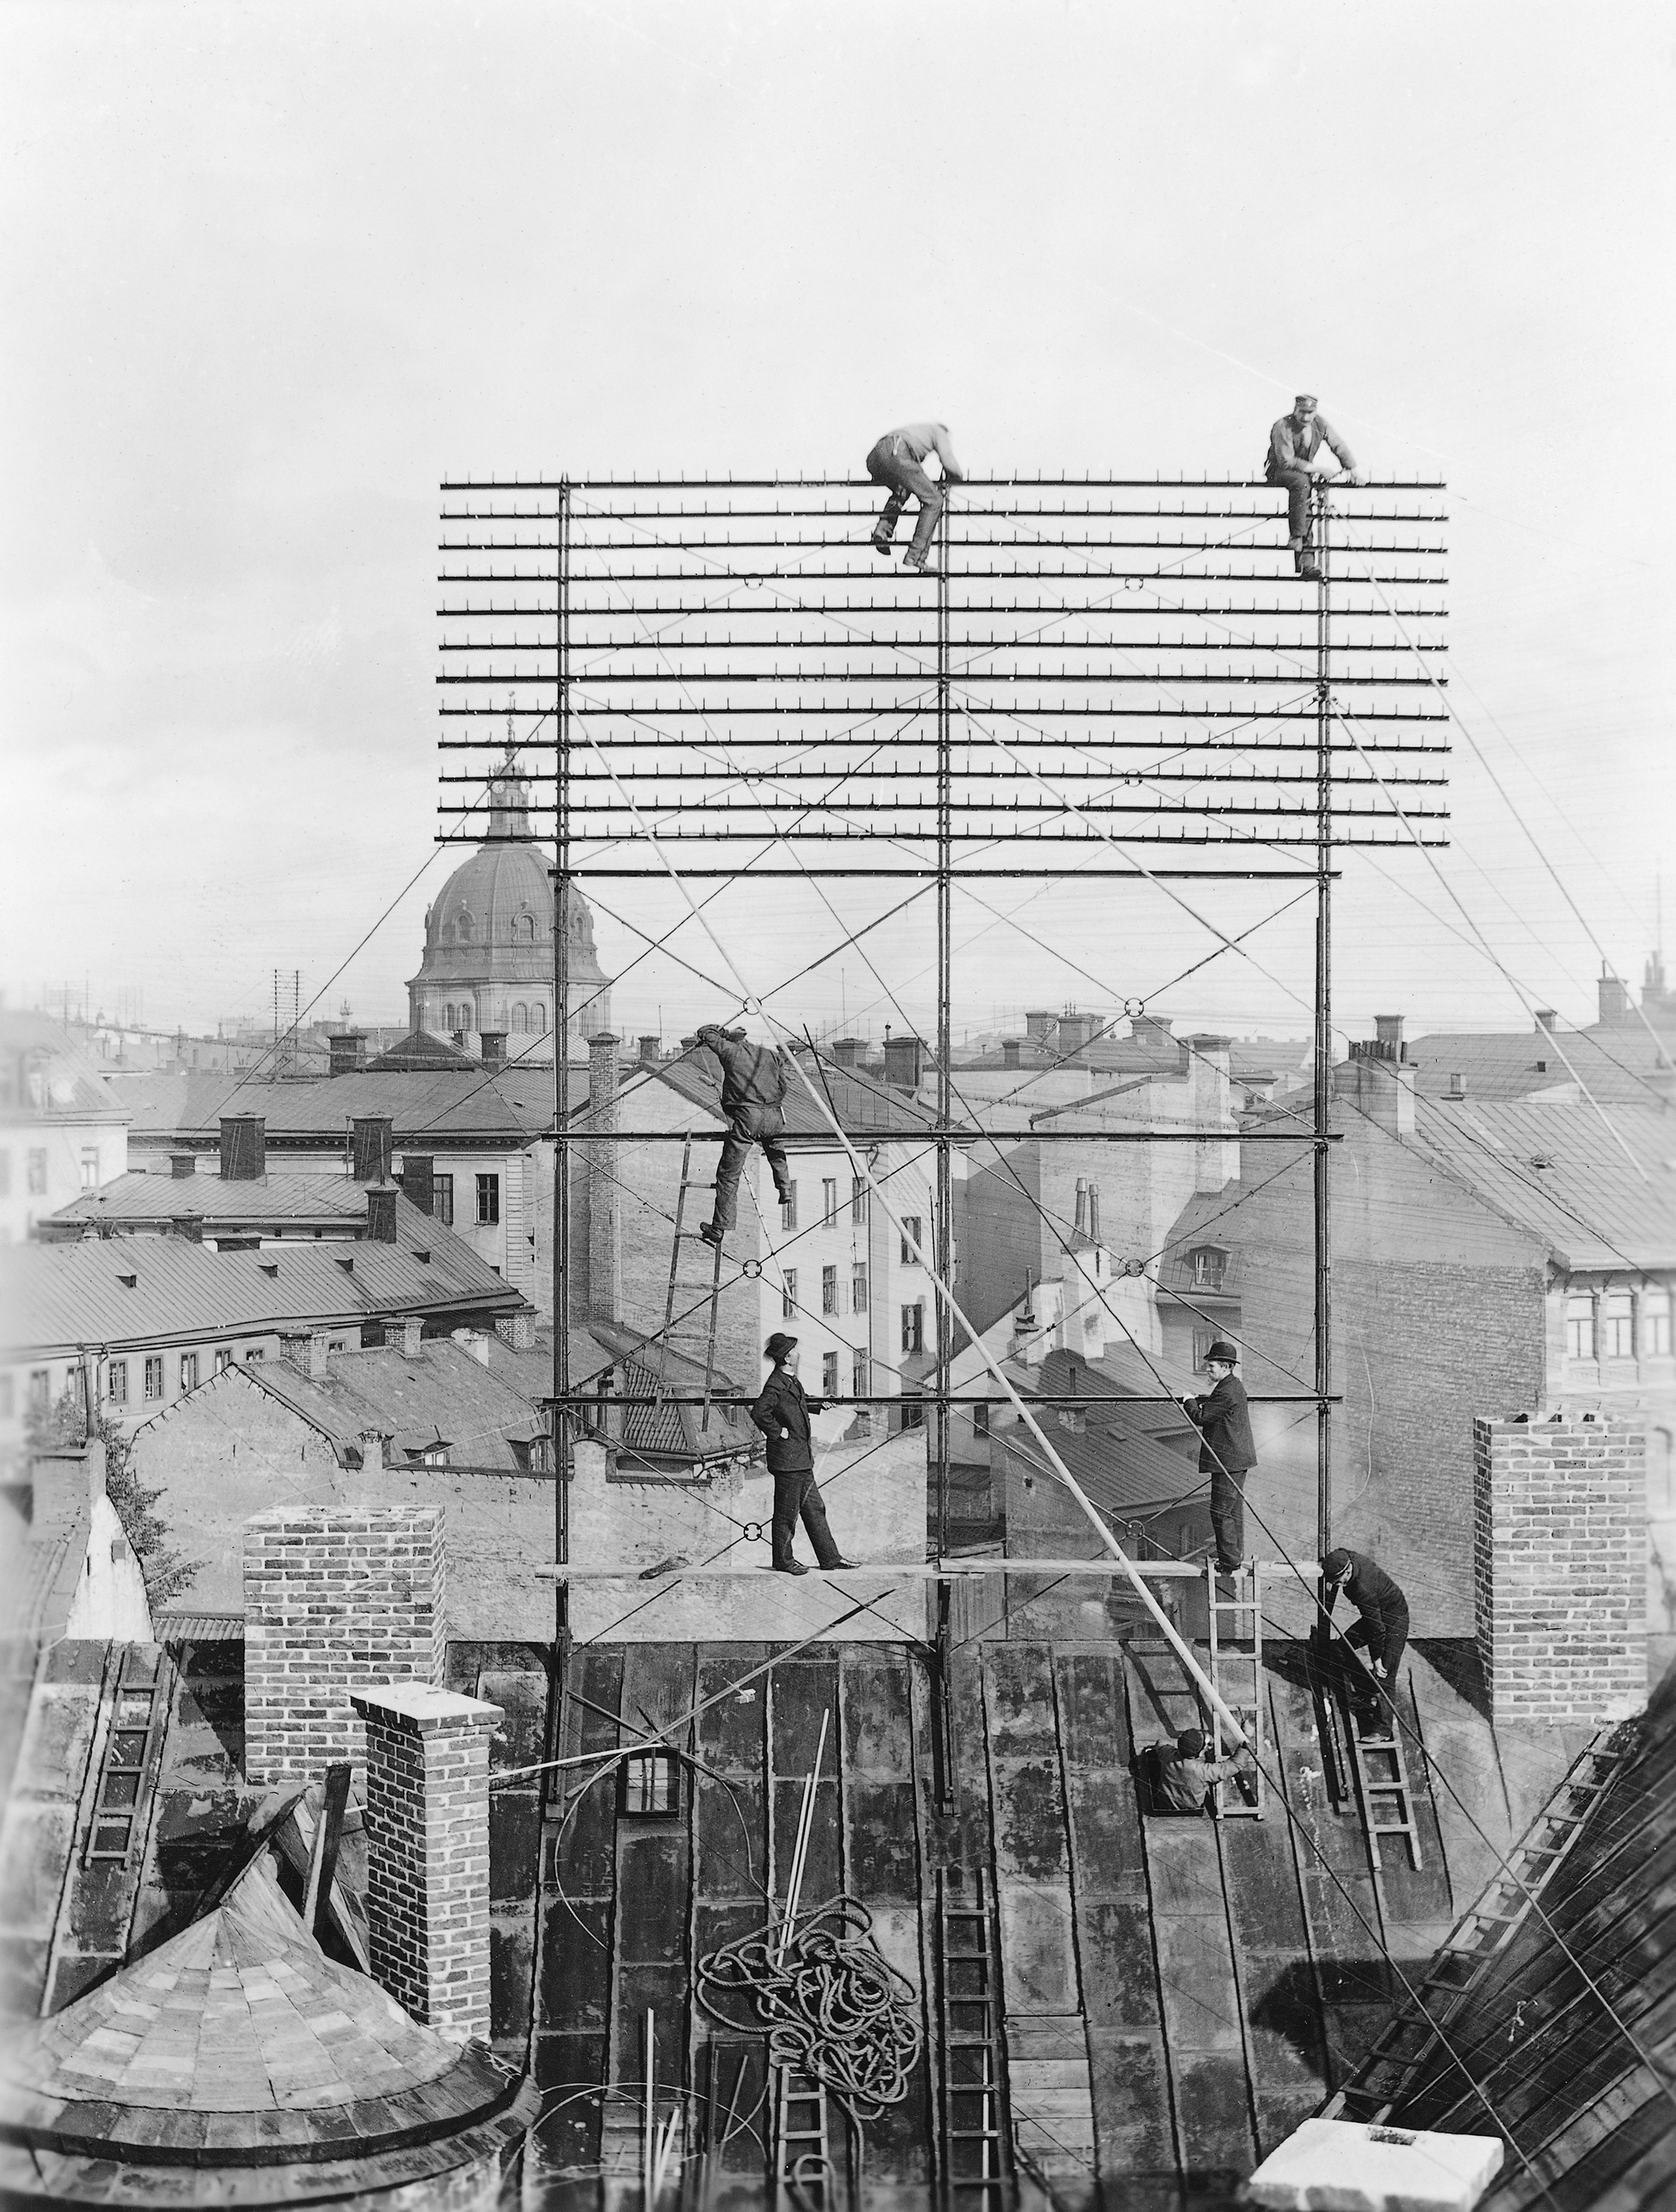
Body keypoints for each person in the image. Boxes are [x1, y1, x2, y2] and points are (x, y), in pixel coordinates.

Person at [750, 1334, 856, 1575]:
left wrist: (820, 1404)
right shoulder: (776, 1384)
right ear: (787, 1357)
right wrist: (779, 1433)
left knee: (815, 1509)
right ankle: (784, 1562)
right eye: (794, 1351)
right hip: (788, 1461)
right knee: (787, 1514)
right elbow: (759, 1412)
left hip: (800, 1459)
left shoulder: (790, 1380)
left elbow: (797, 1403)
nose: (798, 1354)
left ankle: (830, 1558)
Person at [688, 1023, 794, 1248]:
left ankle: (719, 1228)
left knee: (729, 1174)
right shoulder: (770, 1055)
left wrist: (722, 1033)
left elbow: (707, 1034)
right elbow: (783, 1086)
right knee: (777, 1153)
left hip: (749, 1117)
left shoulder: (731, 1051)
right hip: (775, 1115)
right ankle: (785, 1190)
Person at [1265, 395, 1367, 582]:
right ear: (1295, 410)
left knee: (1306, 508)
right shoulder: (1283, 426)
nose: (1305, 418)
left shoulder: (1320, 424)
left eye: (1310, 413)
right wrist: (1319, 469)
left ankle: (1307, 565)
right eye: (1302, 412)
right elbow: (1286, 462)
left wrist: (1352, 470)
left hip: (1304, 473)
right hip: (1280, 471)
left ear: (1316, 412)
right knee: (1301, 484)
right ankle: (1296, 537)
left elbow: (1338, 444)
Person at [1181, 1340, 1257, 1576]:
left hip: (1229, 1462)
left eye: (1211, 1365)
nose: (1207, 1369)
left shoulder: (1227, 1389)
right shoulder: (1231, 1386)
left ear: (1225, 1366)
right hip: (1234, 1461)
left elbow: (1201, 1417)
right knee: (1230, 1510)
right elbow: (1216, 1409)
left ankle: (1231, 1560)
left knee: (1220, 1511)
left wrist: (1188, 1401)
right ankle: (1232, 1555)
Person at [866, 421, 964, 576]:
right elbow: (949, 462)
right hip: (898, 451)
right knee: (934, 501)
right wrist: (958, 477)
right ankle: (916, 556)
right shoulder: (939, 432)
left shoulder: (919, 431)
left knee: (902, 489)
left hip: (876, 456)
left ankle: (882, 530)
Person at [1321, 1547, 1411, 1717]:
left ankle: (1382, 1730)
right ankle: (1367, 1691)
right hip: (1377, 1613)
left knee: (1385, 1672)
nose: (1339, 1586)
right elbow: (1341, 1551)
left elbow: (1376, 1628)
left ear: (1348, 1570)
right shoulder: (1350, 1559)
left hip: (1394, 1618)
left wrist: (1377, 1658)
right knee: (1340, 1648)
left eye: (1340, 1581)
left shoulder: (1362, 1589)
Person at [1151, 1726, 1255, 1816]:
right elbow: (1235, 1765)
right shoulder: (1204, 1771)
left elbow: (1161, 1742)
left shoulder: (1166, 1754)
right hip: (1192, 1812)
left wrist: (1186, 1744)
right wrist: (1247, 1736)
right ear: (1200, 1754)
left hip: (1164, 1806)